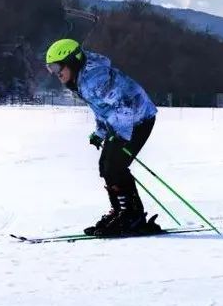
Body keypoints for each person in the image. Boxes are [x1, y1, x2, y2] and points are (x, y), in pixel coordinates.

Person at [45, 38, 160, 237]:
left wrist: (120, 136)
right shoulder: (81, 78)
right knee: (106, 166)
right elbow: (102, 108)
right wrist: (100, 133)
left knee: (114, 165)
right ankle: (122, 212)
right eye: (50, 69)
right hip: (125, 121)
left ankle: (132, 216)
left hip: (139, 119)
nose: (56, 73)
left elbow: (122, 106)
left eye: (57, 67)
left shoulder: (94, 79)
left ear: (71, 61)